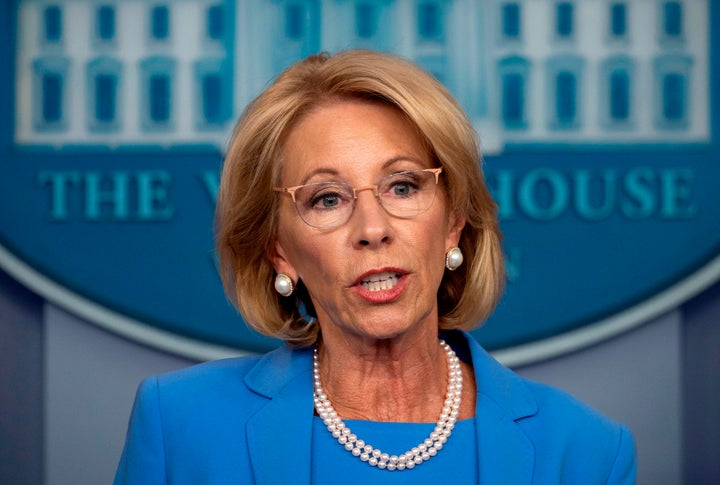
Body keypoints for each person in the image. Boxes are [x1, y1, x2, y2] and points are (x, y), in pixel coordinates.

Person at [114, 50, 636, 484]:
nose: (373, 227)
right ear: (279, 250)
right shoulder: (179, 426)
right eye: (326, 199)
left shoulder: (586, 452)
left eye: (403, 186)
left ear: (453, 222)